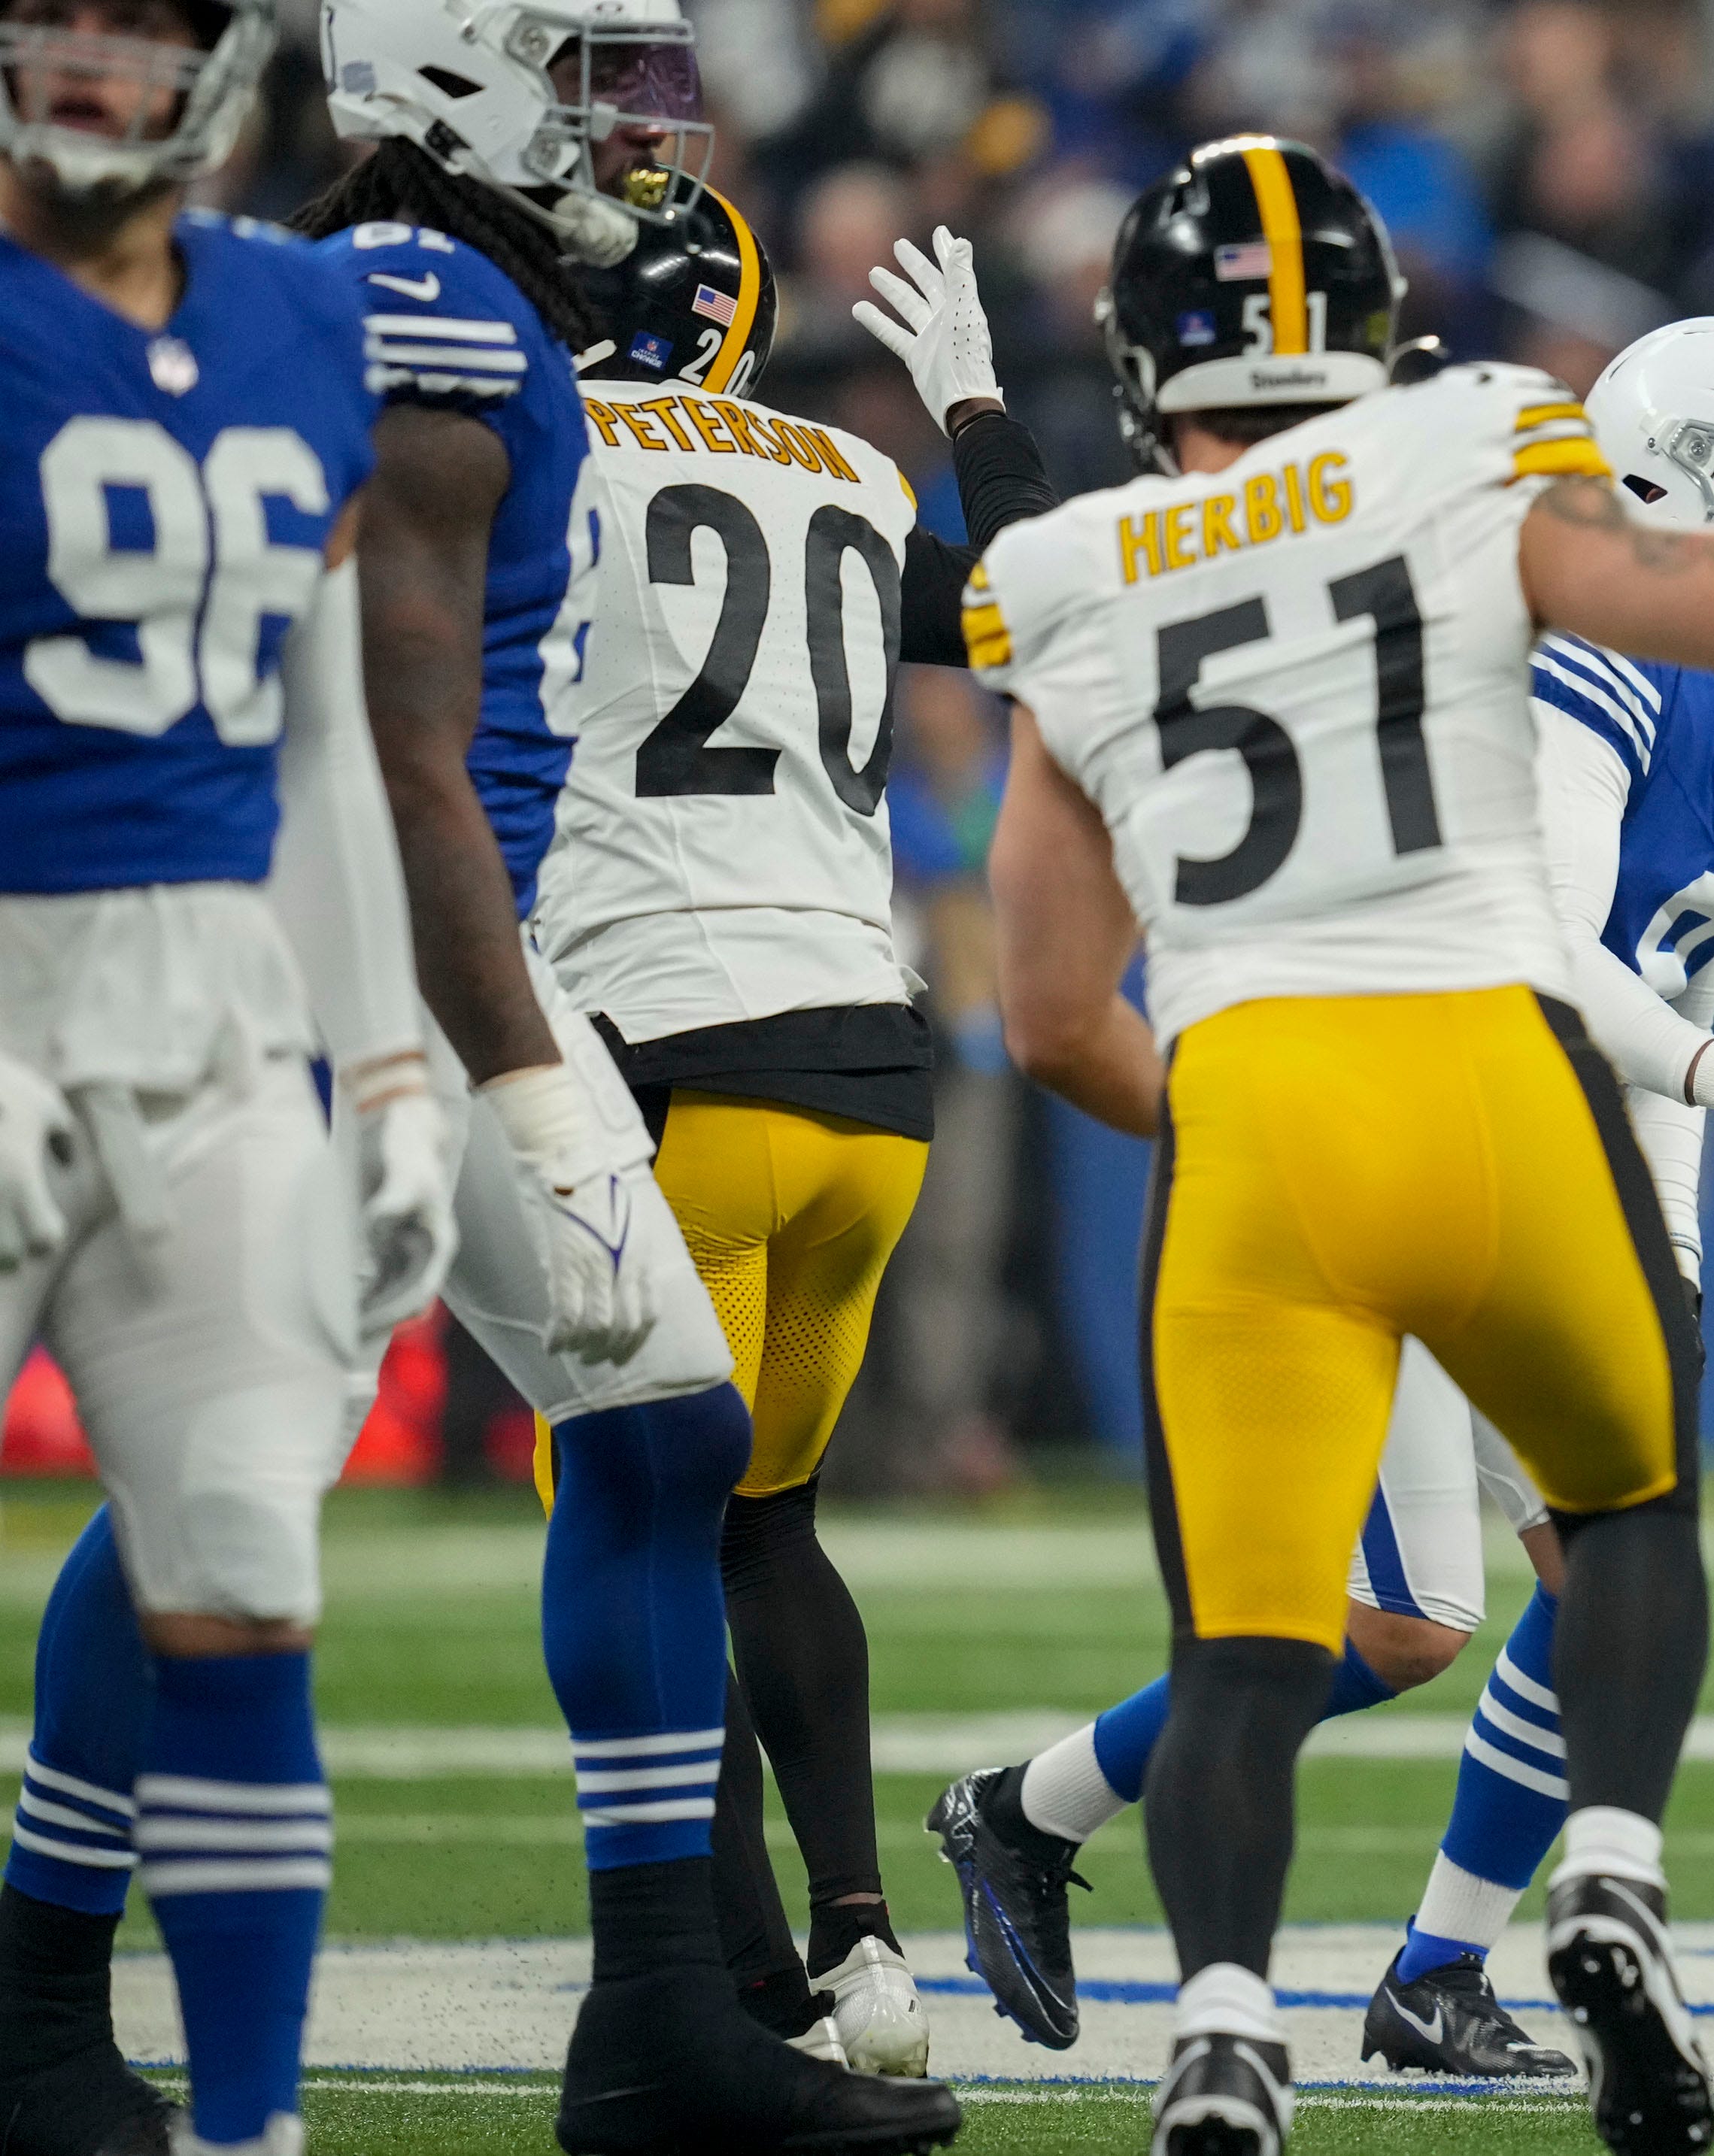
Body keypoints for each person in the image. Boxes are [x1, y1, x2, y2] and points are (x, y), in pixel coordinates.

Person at [963, 132, 1714, 2155]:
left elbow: (1054, 1010)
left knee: (1308, 1621)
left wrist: (1237, 1102)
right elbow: (1552, 913)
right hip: (1510, 1086)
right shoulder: (1481, 461)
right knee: (1562, 1552)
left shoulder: (1062, 577)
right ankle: (1566, 1878)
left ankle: (1284, 2006)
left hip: (1282, 1105)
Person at [5, 8, 963, 2152]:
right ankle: (46, 2001)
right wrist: (523, 1075)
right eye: (592, 74)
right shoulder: (424, 310)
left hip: (407, 949)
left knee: (656, 1426)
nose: (645, 124)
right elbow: (410, 749)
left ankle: (657, 2023)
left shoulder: (412, 299)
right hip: (346, 962)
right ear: (450, 78)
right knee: (238, 1472)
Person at [0, 4, 455, 2151]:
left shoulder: (295, 309)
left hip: (205, 1000)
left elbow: (310, 734)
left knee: (247, 1564)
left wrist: (387, 1061)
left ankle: (248, 2131)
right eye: (49, 22)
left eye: (132, 26)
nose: (87, 64)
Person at [540, 187, 1056, 2074]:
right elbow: (1034, 617)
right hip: (870, 1082)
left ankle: (742, 2000)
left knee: (632, 1540)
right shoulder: (844, 463)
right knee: (769, 1528)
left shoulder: (530, 450)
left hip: (667, 1058)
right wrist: (978, 408)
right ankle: (862, 1953)